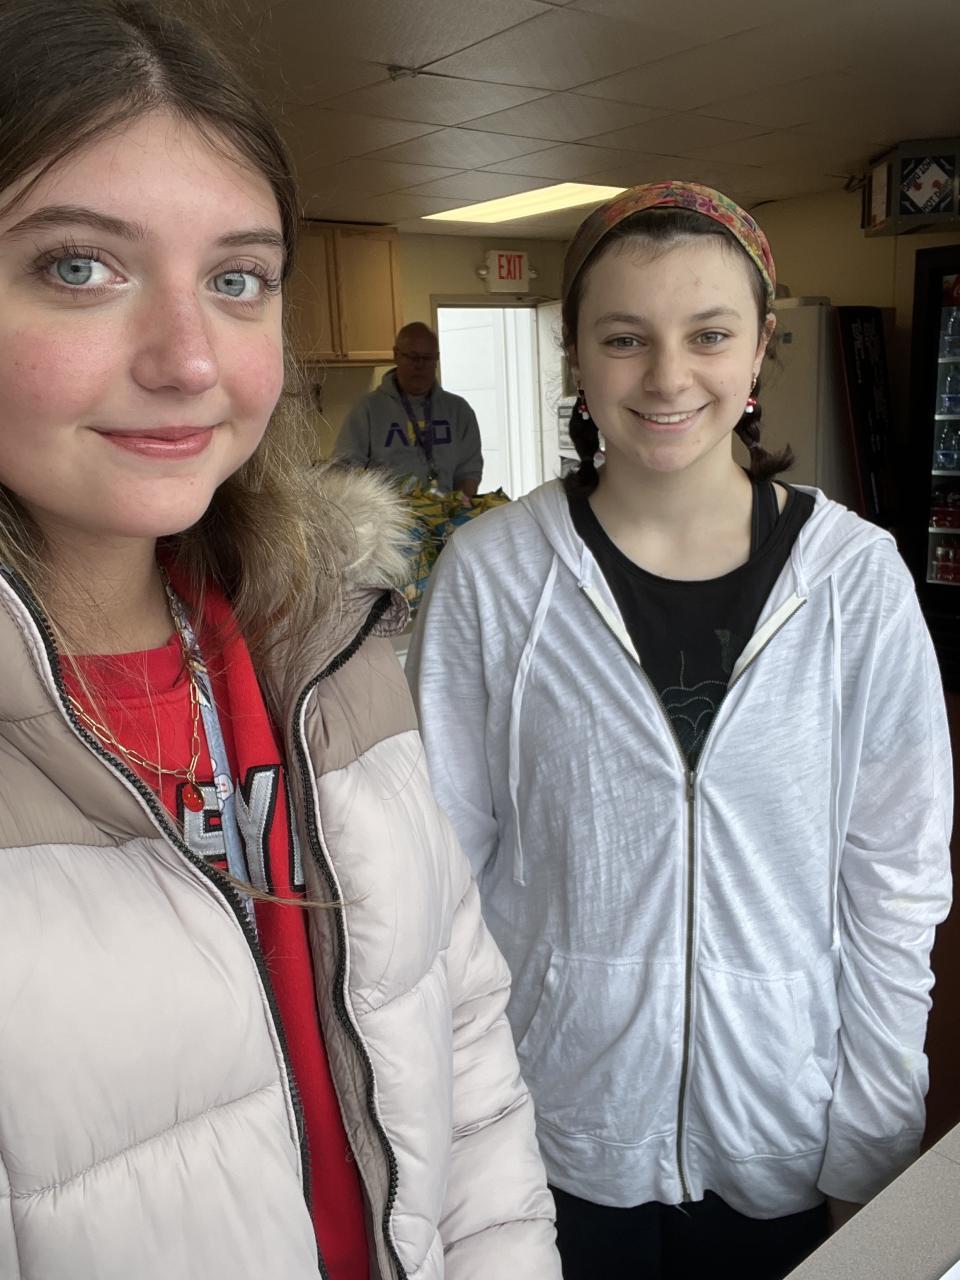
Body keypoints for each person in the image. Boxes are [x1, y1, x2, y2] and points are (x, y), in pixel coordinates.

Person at [0, 3, 563, 1277]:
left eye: (237, 278)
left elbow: (465, 1052)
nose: (190, 360)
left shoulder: (336, 655)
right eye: (78, 266)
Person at [407, 181, 953, 1280]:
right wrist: (461, 1127)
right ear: (575, 353)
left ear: (760, 348)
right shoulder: (494, 576)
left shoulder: (856, 582)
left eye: (709, 334)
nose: (667, 377)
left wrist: (873, 1144)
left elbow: (894, 883)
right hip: (555, 1132)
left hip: (786, 1129)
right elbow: (439, 879)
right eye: (625, 338)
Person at [335, 321, 484, 497]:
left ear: (436, 358)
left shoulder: (459, 411)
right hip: (387, 512)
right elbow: (344, 471)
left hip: (446, 511)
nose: (419, 366)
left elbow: (469, 471)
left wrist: (459, 506)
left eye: (427, 358)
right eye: (412, 357)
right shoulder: (367, 410)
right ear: (396, 355)